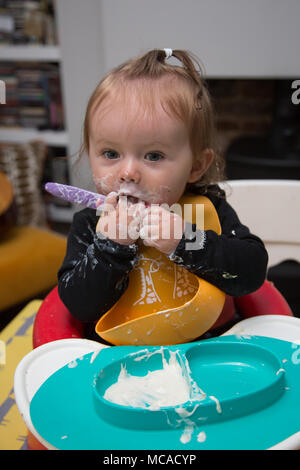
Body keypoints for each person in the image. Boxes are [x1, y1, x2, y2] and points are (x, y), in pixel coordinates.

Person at [57, 48, 268, 341]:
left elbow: (251, 273)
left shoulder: (206, 211)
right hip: (121, 361)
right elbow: (78, 306)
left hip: (208, 353)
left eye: (154, 155)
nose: (128, 172)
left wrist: (186, 240)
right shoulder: (91, 224)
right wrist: (109, 248)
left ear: (195, 166)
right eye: (111, 153)